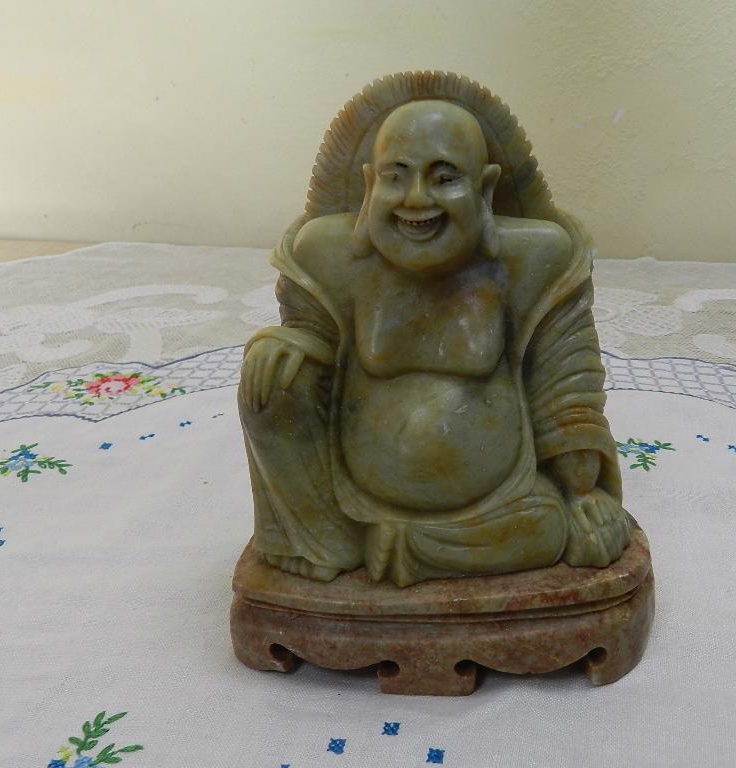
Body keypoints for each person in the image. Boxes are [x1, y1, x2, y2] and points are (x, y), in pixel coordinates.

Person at [238, 99, 630, 587]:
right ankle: (324, 537)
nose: (416, 199)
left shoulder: (532, 258)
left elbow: (564, 379)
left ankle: (395, 549)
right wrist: (288, 344)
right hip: (351, 495)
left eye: (444, 178)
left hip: (497, 502)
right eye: (395, 177)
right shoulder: (329, 254)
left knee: (548, 530)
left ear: (486, 188)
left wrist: (581, 489)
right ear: (369, 184)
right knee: (270, 370)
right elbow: (314, 338)